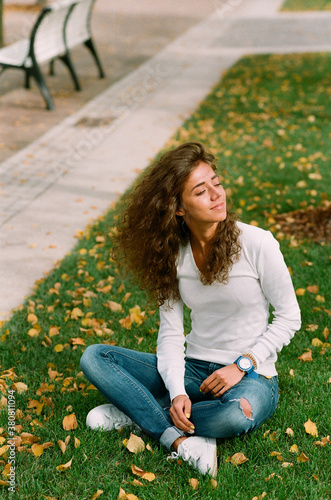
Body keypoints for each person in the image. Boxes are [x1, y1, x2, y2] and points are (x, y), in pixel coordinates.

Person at [80, 142, 301, 477]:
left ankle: (143, 413)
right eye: (201, 191)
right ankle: (179, 437)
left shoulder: (257, 244)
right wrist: (179, 390)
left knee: (234, 416)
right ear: (179, 208)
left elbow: (289, 318)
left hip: (252, 376)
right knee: (95, 357)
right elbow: (171, 335)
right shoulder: (172, 256)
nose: (217, 194)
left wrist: (242, 364)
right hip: (192, 370)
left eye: (217, 182)